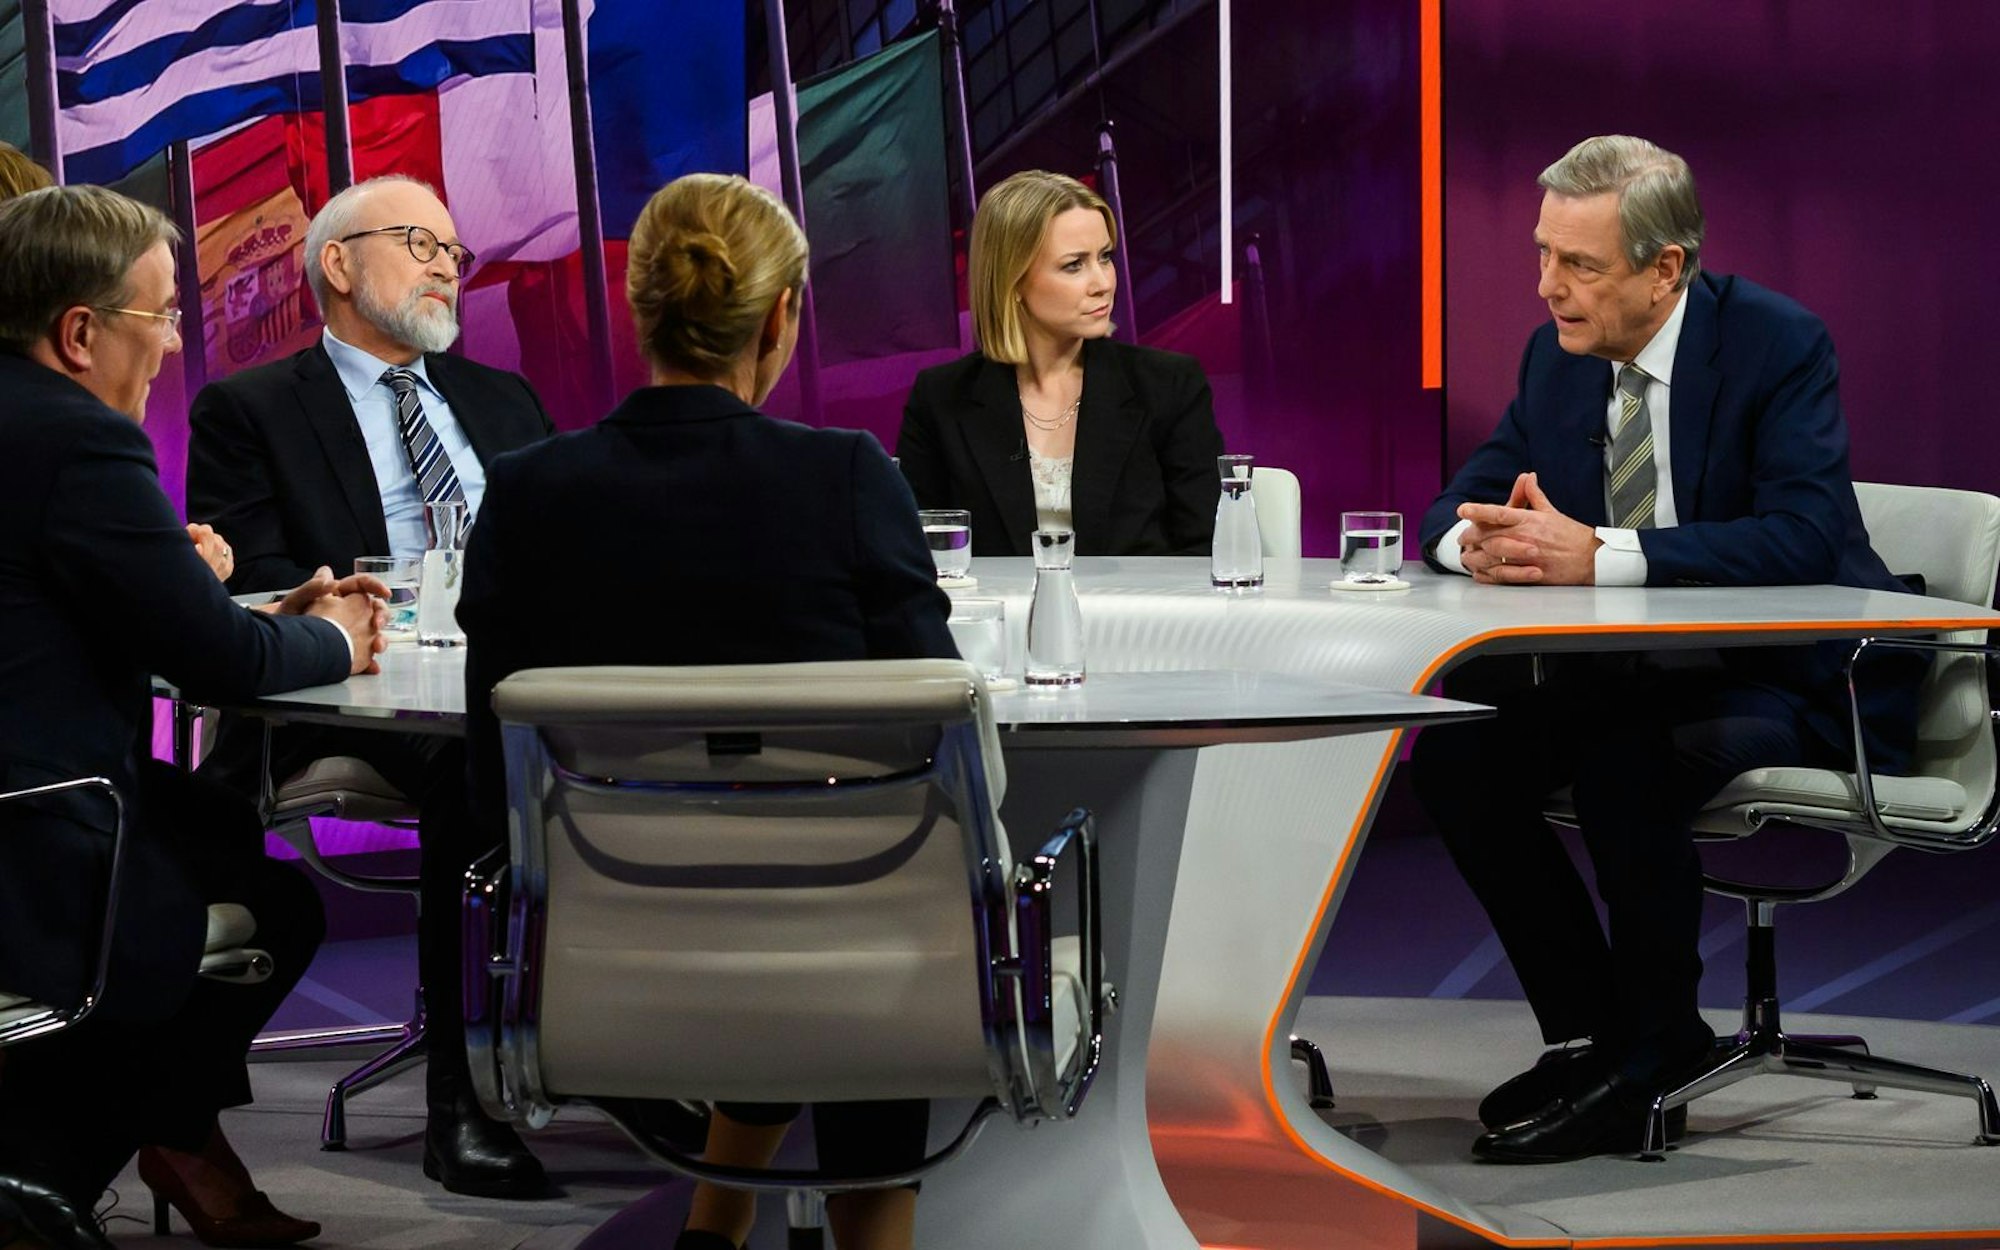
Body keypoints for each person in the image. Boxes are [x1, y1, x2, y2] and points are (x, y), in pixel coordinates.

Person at [459, 172, 954, 1250]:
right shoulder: (849, 477)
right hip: (844, 944)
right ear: (781, 316)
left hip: (606, 946)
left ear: (639, 309)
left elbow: (487, 756)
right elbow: (932, 723)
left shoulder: (528, 489)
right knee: (872, 870)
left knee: (786, 870)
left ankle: (716, 1218)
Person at [1408, 135, 1926, 1164]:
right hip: (1645, 676)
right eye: (1542, 252)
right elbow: (1458, 497)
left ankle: (1650, 1056)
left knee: (1623, 762)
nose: (1546, 283)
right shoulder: (1553, 355)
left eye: (1579, 265)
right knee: (1457, 757)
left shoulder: (1775, 343)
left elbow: (1803, 534)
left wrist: (1596, 552)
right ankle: (1592, 1037)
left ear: (1664, 267)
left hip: (1800, 671)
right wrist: (1474, 542)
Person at [0, 185, 388, 1246]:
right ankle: (47, 1182)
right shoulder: (79, 441)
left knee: (220, 834)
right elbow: (215, 659)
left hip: (37, 784)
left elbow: (70, 610)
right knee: (273, 903)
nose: (175, 345)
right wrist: (340, 640)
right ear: (79, 332)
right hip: (37, 837)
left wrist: (242, 612)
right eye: (162, 316)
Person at [184, 175, 557, 1198]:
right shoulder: (249, 408)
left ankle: (638, 1057)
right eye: (419, 242)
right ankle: (463, 1102)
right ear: (337, 264)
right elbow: (255, 591)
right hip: (357, 690)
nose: (447, 265)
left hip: (513, 669)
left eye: (454, 252)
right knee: (473, 762)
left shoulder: (501, 399)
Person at [896, 169, 1224, 556]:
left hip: (1138, 616)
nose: (1102, 282)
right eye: (1074, 265)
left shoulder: (1169, 385)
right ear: (1013, 282)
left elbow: (1206, 550)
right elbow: (914, 553)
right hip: (1003, 615)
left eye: (1105, 257)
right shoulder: (941, 398)